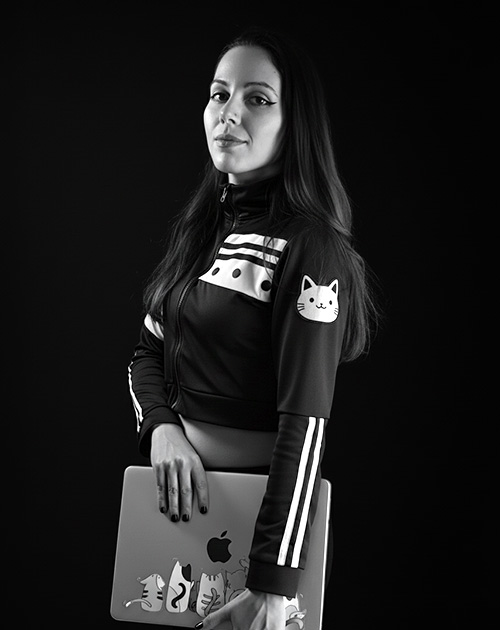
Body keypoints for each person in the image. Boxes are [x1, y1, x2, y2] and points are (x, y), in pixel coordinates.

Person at [128, 27, 378, 630]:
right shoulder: (200, 232)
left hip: (264, 527)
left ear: (295, 125)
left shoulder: (311, 248)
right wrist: (162, 431)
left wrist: (271, 582)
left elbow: (306, 425)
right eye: (219, 94)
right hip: (174, 512)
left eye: (257, 99)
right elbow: (145, 354)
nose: (229, 112)